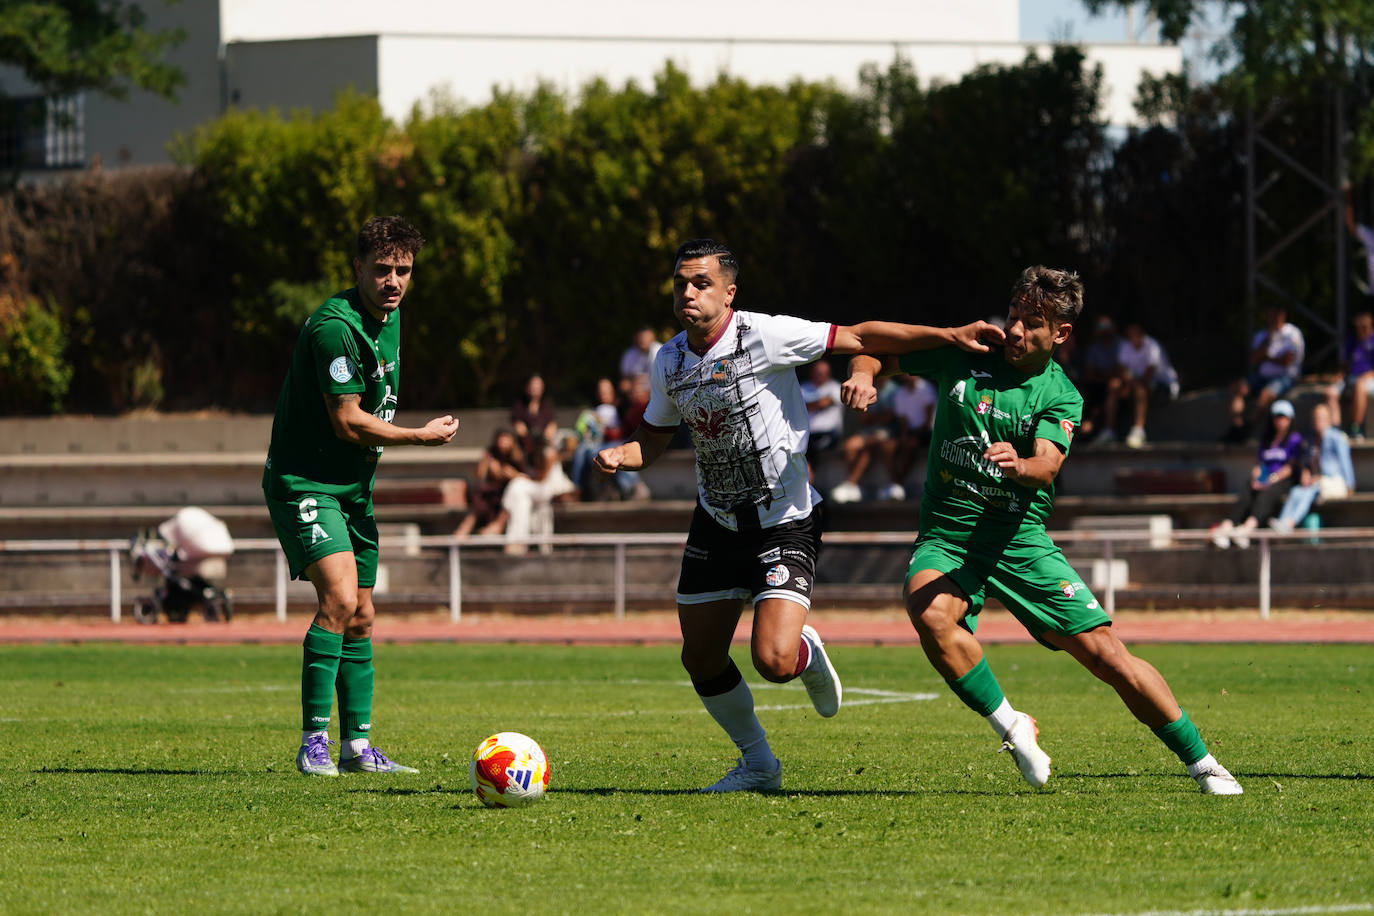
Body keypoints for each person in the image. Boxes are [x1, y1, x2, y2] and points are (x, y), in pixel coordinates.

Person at [594, 238, 998, 792]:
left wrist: (950, 336)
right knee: (701, 656)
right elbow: (654, 436)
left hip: (783, 518)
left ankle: (807, 654)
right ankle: (759, 764)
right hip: (716, 521)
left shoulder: (764, 333)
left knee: (775, 660)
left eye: (701, 283)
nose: (687, 293)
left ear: (729, 292)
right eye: (680, 284)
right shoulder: (668, 360)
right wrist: (623, 453)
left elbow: (861, 335)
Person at [842, 265, 1243, 795]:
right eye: (1013, 316)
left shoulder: (1062, 394)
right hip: (950, 533)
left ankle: (1204, 763)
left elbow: (1048, 466)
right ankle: (1012, 724)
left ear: (1061, 333)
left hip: (1018, 538)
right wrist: (866, 374)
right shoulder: (967, 353)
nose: (1015, 330)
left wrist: (1019, 464)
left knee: (1107, 657)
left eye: (1032, 322)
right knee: (930, 613)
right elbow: (870, 343)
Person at [263, 216, 458, 777]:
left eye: (403, 271)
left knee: (364, 616)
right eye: (381, 270)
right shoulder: (334, 328)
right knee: (340, 601)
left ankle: (358, 749)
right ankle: (313, 743)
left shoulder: (391, 320)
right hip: (305, 483)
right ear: (358, 268)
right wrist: (419, 436)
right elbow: (348, 421)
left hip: (352, 489)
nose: (393, 281)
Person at [1210, 399, 1304, 549]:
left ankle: (1246, 529)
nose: (1279, 421)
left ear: (1290, 419)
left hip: (1283, 479)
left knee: (1266, 494)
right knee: (1249, 489)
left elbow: (1290, 467)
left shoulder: (1294, 439)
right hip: (1266, 476)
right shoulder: (1266, 439)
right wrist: (1257, 478)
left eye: (1283, 417)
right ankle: (1226, 527)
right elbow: (1259, 464)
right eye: (1276, 416)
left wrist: (1272, 479)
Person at [1223, 306, 1304, 443]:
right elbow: (1254, 359)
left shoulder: (1292, 333)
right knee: (1238, 388)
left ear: (1282, 315)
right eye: (1270, 315)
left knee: (1266, 394)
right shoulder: (1262, 335)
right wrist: (1268, 340)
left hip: (1285, 376)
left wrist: (1266, 357)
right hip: (1261, 375)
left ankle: (1246, 429)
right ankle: (1236, 426)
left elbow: (1286, 361)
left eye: (1276, 315)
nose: (1273, 319)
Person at [1270, 403, 1355, 534]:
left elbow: (1345, 462)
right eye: (1315, 419)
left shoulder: (1336, 437)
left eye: (1320, 418)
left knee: (1308, 492)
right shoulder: (1311, 439)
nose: (1317, 422)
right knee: (1297, 491)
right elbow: (1308, 462)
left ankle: (1290, 523)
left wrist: (1350, 485)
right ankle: (1282, 521)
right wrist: (1306, 472)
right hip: (1316, 481)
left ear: (1328, 420)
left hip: (1334, 481)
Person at [1103, 322, 1179, 448]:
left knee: (1139, 388)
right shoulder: (1126, 345)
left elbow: (1147, 377)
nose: (1133, 337)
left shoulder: (1152, 346)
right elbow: (1121, 370)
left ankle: (1138, 430)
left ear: (1142, 334)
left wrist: (1128, 385)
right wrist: (1126, 384)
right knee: (1114, 385)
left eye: (1136, 334)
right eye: (1130, 335)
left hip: (1163, 387)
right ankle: (1109, 430)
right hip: (1136, 385)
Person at [828, 378, 898, 504]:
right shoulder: (868, 388)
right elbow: (864, 418)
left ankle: (851, 483)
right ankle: (857, 486)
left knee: (867, 450)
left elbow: (890, 417)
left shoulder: (893, 389)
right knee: (850, 446)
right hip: (869, 432)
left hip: (889, 432)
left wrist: (875, 418)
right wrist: (879, 418)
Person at [454, 428, 527, 539]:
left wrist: (513, 475)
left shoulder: (518, 456)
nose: (503, 444)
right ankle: (465, 528)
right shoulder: (491, 453)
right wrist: (486, 464)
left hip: (509, 493)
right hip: (491, 493)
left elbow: (529, 479)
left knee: (511, 497)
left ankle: (497, 526)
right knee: (480, 497)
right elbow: (479, 476)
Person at [1325, 309, 1374, 441]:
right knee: (1330, 392)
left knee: (1360, 385)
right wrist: (1339, 375)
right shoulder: (1351, 340)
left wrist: (1366, 376)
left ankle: (1355, 428)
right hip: (1350, 378)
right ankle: (1336, 429)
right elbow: (1345, 364)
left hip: (1368, 379)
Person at [1078, 315, 1120, 441]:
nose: (1105, 331)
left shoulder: (1121, 345)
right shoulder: (1093, 349)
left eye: (1107, 327)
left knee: (1114, 385)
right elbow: (1090, 374)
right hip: (1096, 386)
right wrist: (1107, 374)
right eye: (1102, 328)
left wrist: (1104, 374)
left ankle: (1108, 430)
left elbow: (1121, 371)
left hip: (1117, 387)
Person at [800, 360, 844, 480]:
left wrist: (806, 405)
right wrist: (815, 404)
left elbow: (824, 404)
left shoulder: (835, 387)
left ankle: (810, 480)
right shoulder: (803, 388)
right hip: (807, 434)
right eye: (817, 373)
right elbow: (796, 407)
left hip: (829, 434)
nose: (819, 376)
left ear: (828, 374)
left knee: (811, 448)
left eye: (823, 373)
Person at [510, 373, 558, 460]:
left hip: (543, 444)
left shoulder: (547, 405)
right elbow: (518, 427)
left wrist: (545, 437)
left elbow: (552, 425)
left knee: (550, 454)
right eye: (533, 385)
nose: (535, 388)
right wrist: (529, 438)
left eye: (538, 385)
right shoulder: (519, 405)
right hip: (525, 446)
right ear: (526, 387)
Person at [618, 326, 663, 395]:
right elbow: (624, 382)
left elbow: (664, 380)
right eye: (640, 337)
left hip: (656, 392)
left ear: (653, 338)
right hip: (635, 393)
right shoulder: (629, 354)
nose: (642, 340)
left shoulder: (661, 351)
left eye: (645, 337)